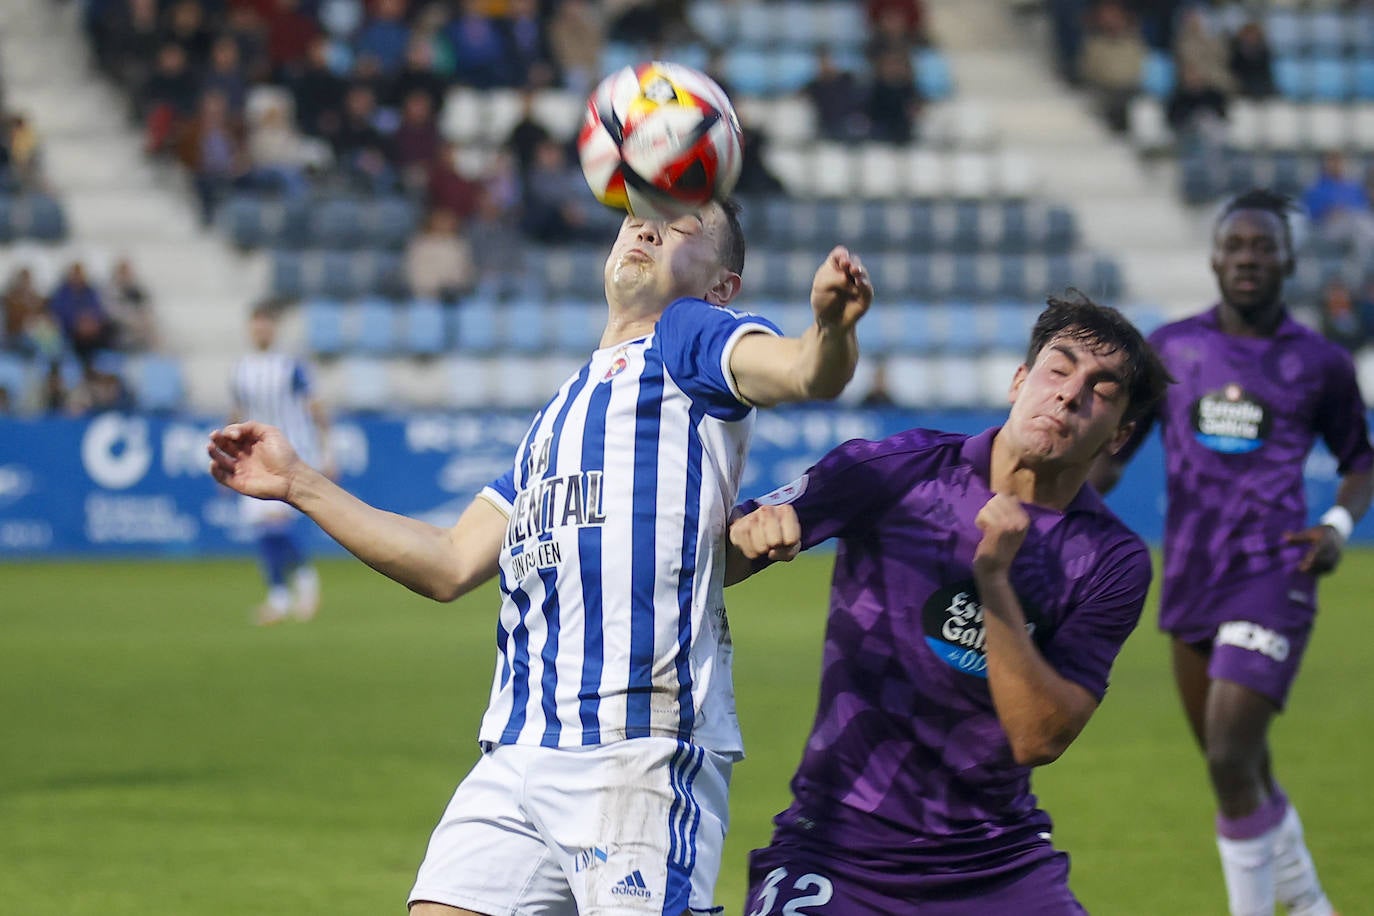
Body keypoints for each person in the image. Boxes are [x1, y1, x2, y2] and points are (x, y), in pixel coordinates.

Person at [206, 198, 874, 915]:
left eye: (683, 229)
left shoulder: (689, 340)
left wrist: (829, 331)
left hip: (633, 750)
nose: (647, 228)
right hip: (517, 748)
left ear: (721, 288)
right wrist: (299, 482)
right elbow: (448, 562)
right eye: (639, 217)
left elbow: (807, 372)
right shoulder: (557, 415)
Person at [728, 292, 1171, 914]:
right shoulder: (897, 471)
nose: (1070, 393)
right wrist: (751, 533)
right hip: (836, 849)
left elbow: (1039, 737)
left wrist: (994, 582)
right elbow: (717, 563)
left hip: (997, 867)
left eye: (1101, 388)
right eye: (1058, 368)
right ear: (1020, 381)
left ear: (1120, 434)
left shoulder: (1110, 560)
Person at [1090, 189, 1373, 916]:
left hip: (1275, 573)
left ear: (1289, 260)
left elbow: (1360, 459)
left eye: (1262, 246)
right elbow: (1115, 455)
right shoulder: (1172, 349)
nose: (1248, 258)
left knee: (1226, 758)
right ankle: (1309, 903)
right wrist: (1066, 487)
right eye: (1235, 245)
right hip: (1190, 577)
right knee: (1245, 765)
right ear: (1215, 257)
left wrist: (1339, 524)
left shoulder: (1321, 363)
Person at [228, 302, 332, 626]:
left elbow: (314, 408)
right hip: (253, 457)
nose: (261, 330)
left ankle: (305, 584)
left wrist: (328, 451)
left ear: (273, 329)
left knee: (275, 524)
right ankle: (279, 597)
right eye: (256, 324)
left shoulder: (291, 367)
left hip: (291, 454)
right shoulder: (241, 369)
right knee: (263, 531)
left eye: (266, 324)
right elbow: (236, 411)